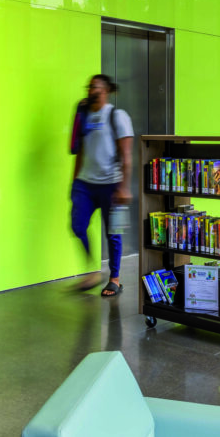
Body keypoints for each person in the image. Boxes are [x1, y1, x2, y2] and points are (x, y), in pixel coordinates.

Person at [70, 74, 134, 297]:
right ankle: (91, 271)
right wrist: (74, 181)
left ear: (106, 90)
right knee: (77, 225)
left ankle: (114, 278)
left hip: (112, 185)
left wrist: (124, 187)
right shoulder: (84, 116)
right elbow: (79, 151)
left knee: (114, 233)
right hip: (85, 184)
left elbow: (127, 155)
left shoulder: (118, 116)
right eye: (88, 86)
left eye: (95, 87)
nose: (90, 90)